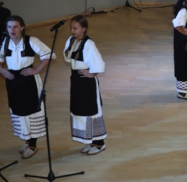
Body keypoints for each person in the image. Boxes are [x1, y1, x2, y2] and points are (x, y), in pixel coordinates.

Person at [0, 15, 55, 159]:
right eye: (10, 27)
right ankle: (27, 140)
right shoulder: (5, 42)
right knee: (19, 110)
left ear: (22, 27)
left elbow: (49, 55)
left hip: (28, 80)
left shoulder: (31, 41)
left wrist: (36, 70)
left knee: (31, 110)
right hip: (13, 81)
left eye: (16, 26)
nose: (12, 30)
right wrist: (2, 70)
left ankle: (33, 144)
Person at [63, 15, 107, 155]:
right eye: (71, 27)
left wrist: (92, 74)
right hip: (76, 80)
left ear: (84, 29)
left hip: (86, 82)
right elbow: (67, 56)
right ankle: (90, 141)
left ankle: (100, 143)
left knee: (91, 111)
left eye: (75, 28)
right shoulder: (71, 40)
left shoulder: (89, 44)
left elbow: (98, 63)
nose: (72, 31)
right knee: (80, 110)